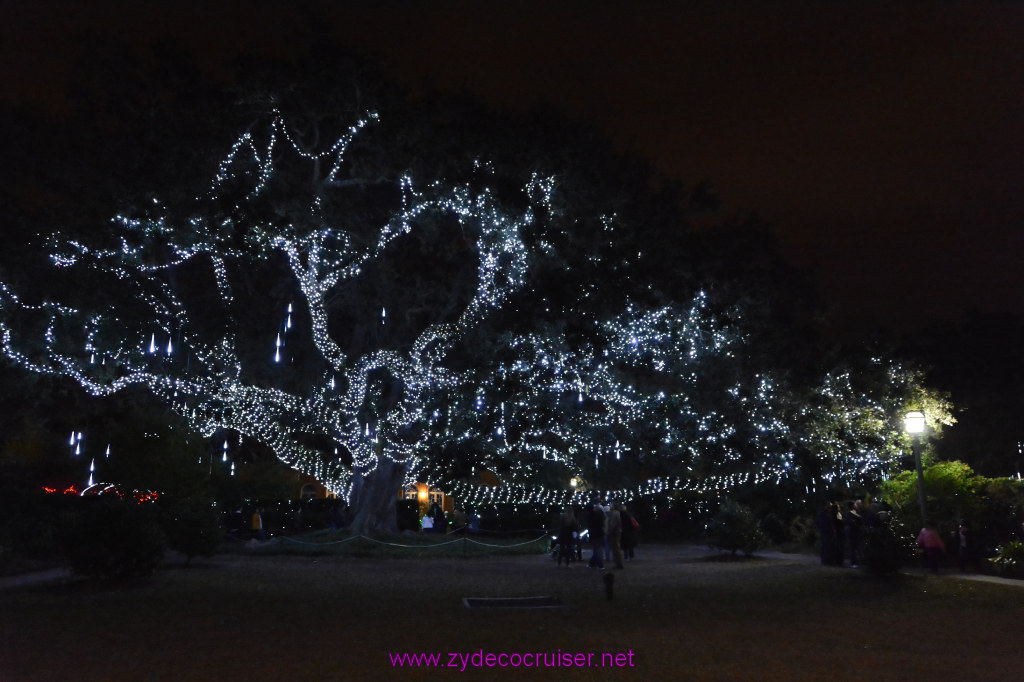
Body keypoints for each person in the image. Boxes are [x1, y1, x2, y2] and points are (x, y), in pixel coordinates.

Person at [586, 500, 606, 569]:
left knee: (596, 550)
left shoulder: (590, 516)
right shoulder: (598, 515)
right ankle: (591, 564)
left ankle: (600, 565)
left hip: (594, 535)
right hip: (599, 534)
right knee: (597, 549)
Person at [607, 503, 624, 569]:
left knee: (615, 548)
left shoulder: (615, 514)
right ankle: (618, 563)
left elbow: (613, 524)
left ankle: (618, 563)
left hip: (615, 533)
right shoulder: (617, 513)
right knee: (616, 548)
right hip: (617, 531)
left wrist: (609, 531)